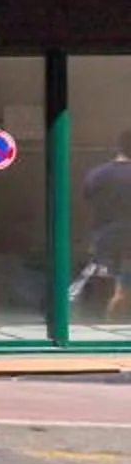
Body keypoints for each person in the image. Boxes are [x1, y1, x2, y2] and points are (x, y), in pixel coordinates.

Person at [84, 129, 131, 325]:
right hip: (128, 244)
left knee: (105, 290)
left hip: (103, 241)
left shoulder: (97, 174)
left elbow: (88, 200)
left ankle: (105, 331)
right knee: (123, 291)